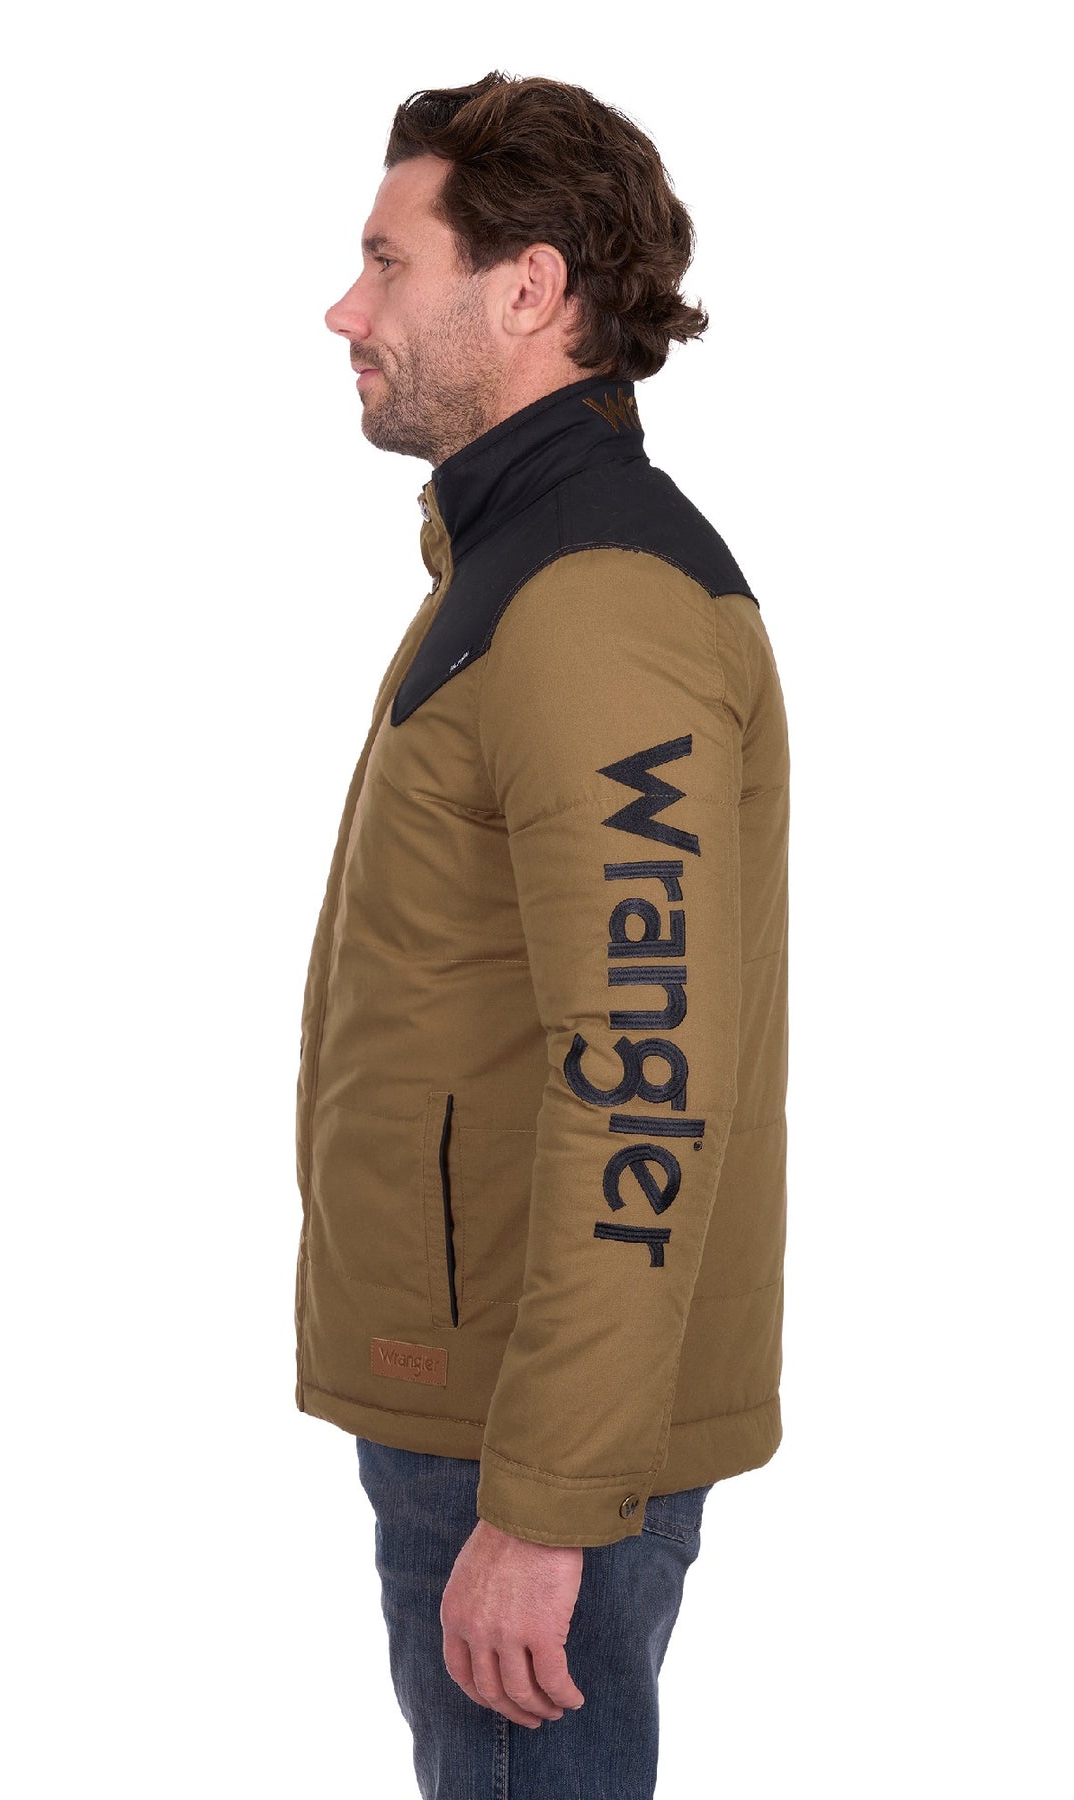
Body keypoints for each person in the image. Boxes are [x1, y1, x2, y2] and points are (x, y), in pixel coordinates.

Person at [293, 71, 790, 1799]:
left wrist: (550, 1500)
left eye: (387, 261)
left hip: (524, 1437)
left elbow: (644, 1070)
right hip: (491, 1405)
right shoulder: (516, 567)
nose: (345, 309)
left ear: (530, 289)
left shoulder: (594, 604)